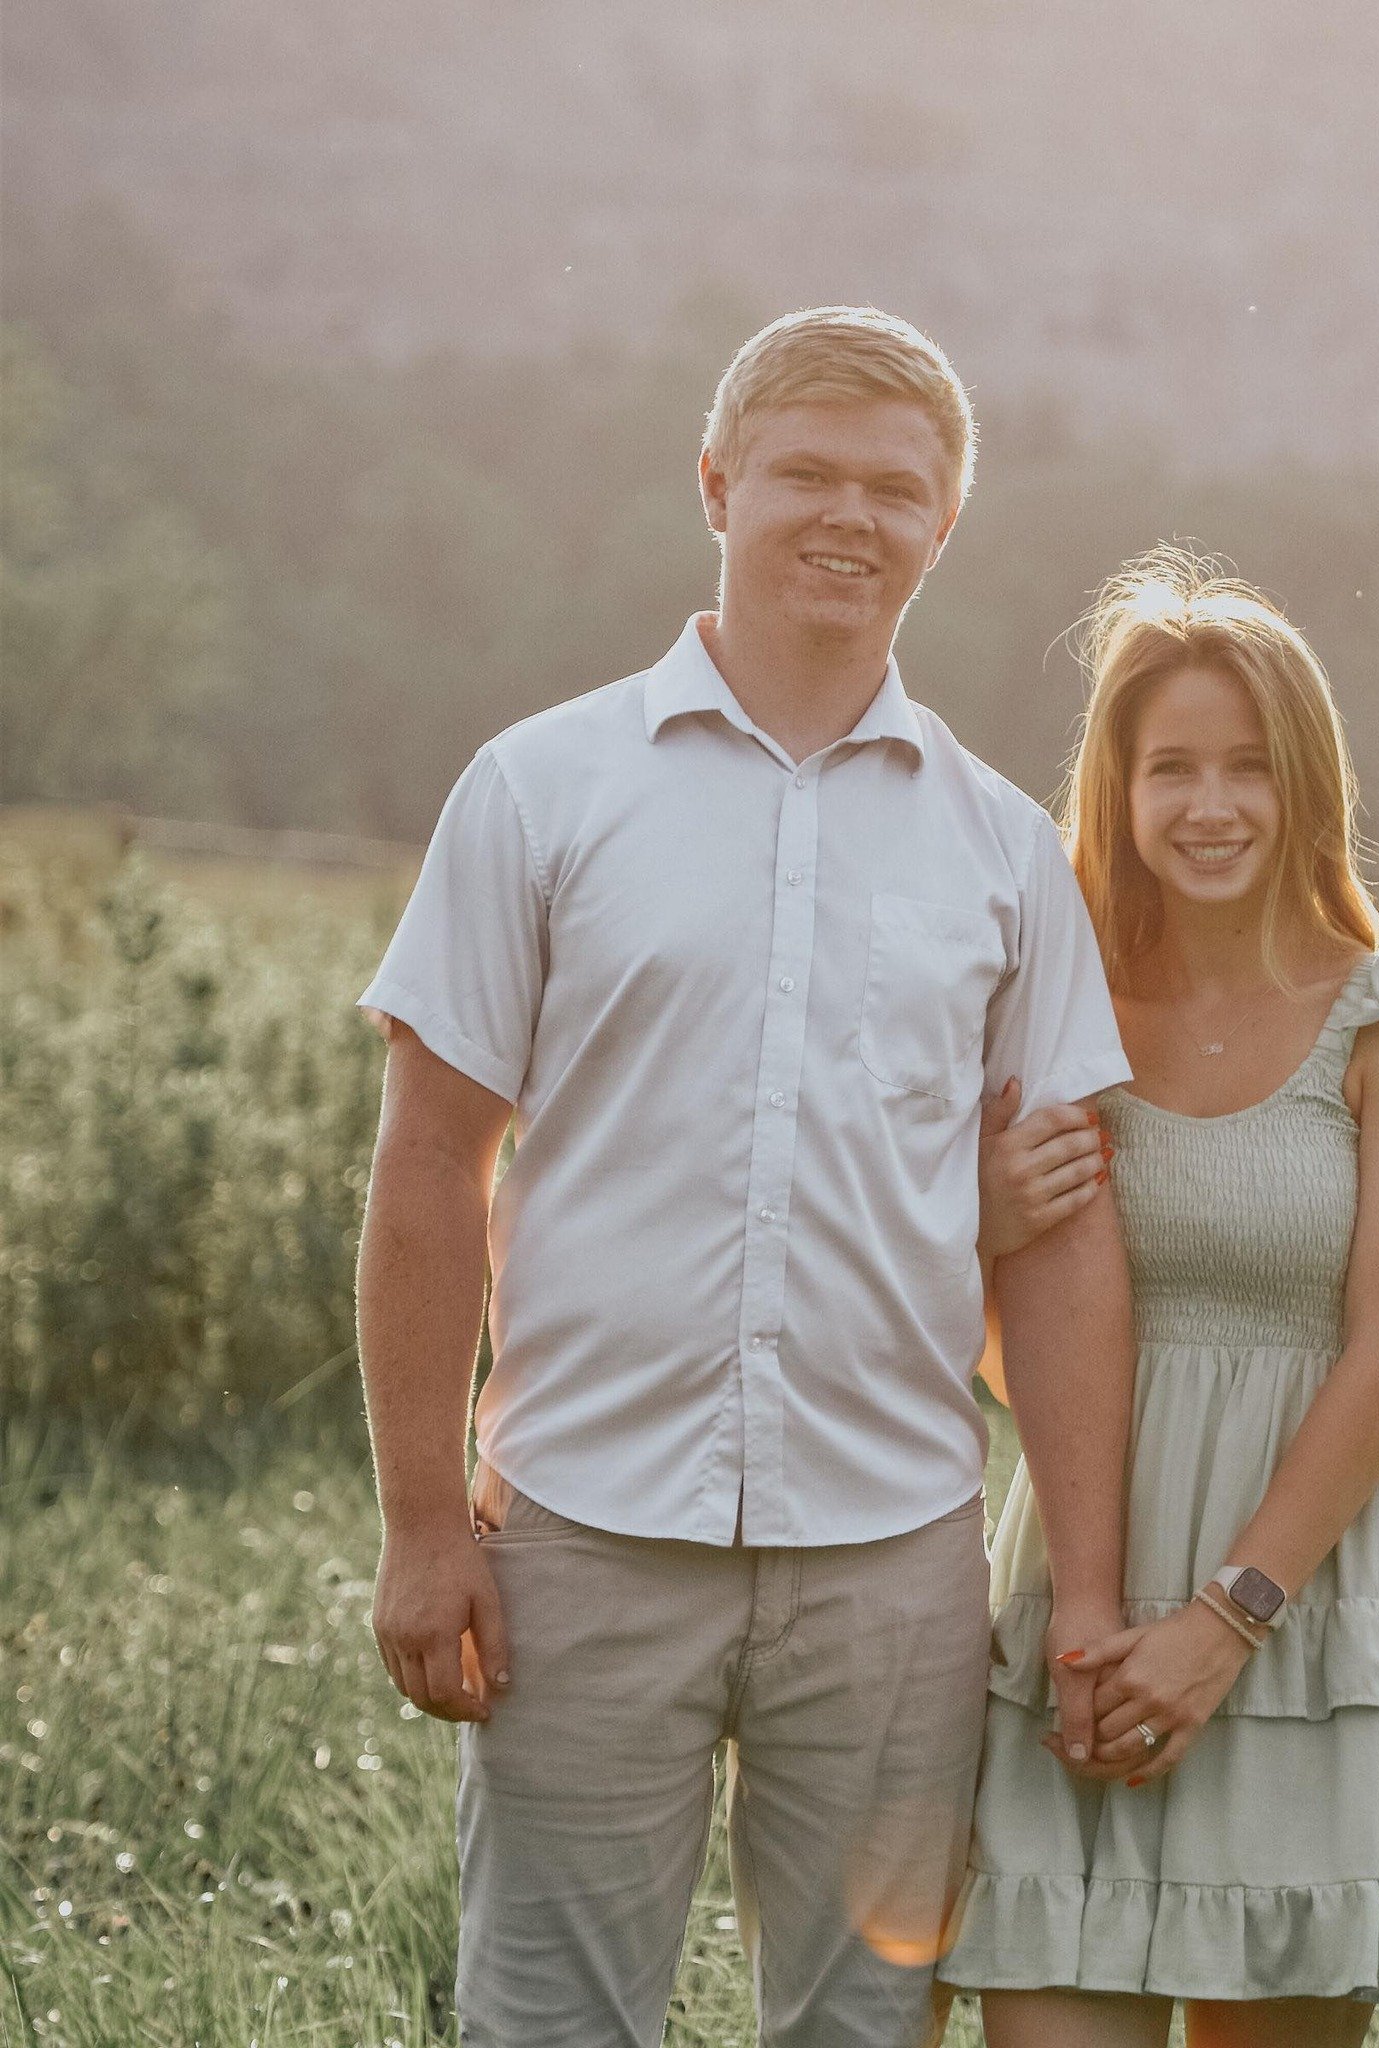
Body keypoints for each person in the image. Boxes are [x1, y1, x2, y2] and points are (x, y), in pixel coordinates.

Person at [351, 305, 1138, 2048]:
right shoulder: (540, 791)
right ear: (717, 483)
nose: (849, 516)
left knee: (863, 2032)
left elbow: (1067, 1241)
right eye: (805, 473)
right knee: (551, 2022)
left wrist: (1084, 1588)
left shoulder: (1006, 852)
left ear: (947, 526)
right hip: (577, 1537)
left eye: (895, 488)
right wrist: (421, 1525)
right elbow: (426, 1166)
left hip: (893, 1562)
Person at [937, 551, 1379, 2043]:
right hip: (1082, 1579)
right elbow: (994, 1323)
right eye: (1173, 767)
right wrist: (1107, 1613)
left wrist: (1225, 1620)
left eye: (1250, 769)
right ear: (1117, 788)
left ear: (1306, 784)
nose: (1212, 806)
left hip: (1311, 1606)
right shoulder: (1052, 1011)